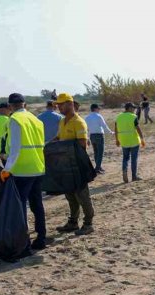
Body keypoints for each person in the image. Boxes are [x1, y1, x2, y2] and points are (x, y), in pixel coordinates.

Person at [1, 93, 48, 252]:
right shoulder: (36, 119)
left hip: (22, 170)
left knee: (20, 207)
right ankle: (41, 238)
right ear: (24, 104)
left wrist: (6, 169)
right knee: (37, 205)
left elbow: (15, 149)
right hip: (38, 167)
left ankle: (24, 243)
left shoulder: (14, 120)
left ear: (10, 106)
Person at [51, 93, 95, 235]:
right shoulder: (62, 121)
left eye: (61, 105)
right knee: (70, 195)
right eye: (57, 105)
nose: (58, 107)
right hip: (66, 166)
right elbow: (59, 137)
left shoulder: (79, 122)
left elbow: (82, 145)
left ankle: (88, 224)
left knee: (82, 196)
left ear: (70, 104)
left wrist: (63, 147)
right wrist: (48, 145)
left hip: (77, 165)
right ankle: (73, 222)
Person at [115, 102, 146, 183]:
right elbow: (138, 128)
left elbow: (116, 129)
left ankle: (124, 170)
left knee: (125, 158)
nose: (134, 109)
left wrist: (117, 140)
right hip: (133, 140)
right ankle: (134, 176)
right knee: (134, 159)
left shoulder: (118, 117)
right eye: (133, 108)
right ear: (129, 108)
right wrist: (142, 139)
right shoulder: (133, 116)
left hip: (123, 140)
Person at [84, 103, 114, 175]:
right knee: (100, 153)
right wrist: (111, 132)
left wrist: (87, 138)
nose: (99, 109)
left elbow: (86, 129)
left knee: (96, 152)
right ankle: (97, 169)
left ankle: (98, 166)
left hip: (92, 136)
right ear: (95, 109)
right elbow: (104, 126)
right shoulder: (98, 116)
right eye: (98, 108)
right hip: (99, 136)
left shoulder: (87, 117)